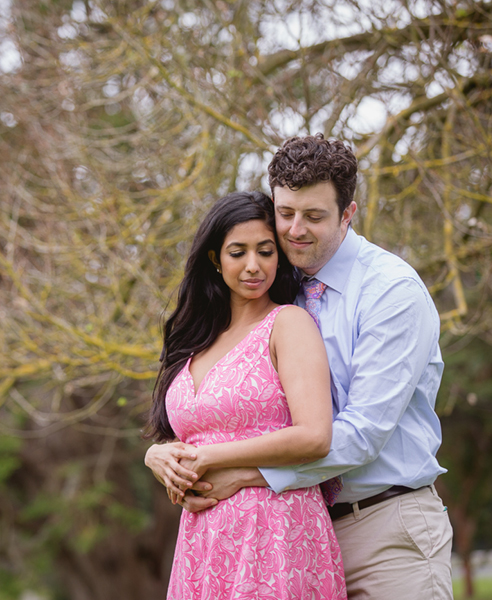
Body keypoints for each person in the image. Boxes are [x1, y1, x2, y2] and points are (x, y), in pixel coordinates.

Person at [146, 134, 453, 599]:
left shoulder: (391, 292)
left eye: (314, 216)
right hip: (295, 532)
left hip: (385, 526)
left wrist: (247, 474)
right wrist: (159, 453)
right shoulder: (282, 288)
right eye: (285, 213)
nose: (295, 230)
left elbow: (361, 433)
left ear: (347, 214)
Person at [146, 190, 346, 599]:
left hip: (274, 533)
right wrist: (156, 455)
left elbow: (314, 436)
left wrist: (208, 458)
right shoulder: (196, 340)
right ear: (216, 260)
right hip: (202, 540)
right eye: (238, 252)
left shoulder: (289, 324)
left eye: (266, 251)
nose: (253, 266)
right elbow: (190, 434)